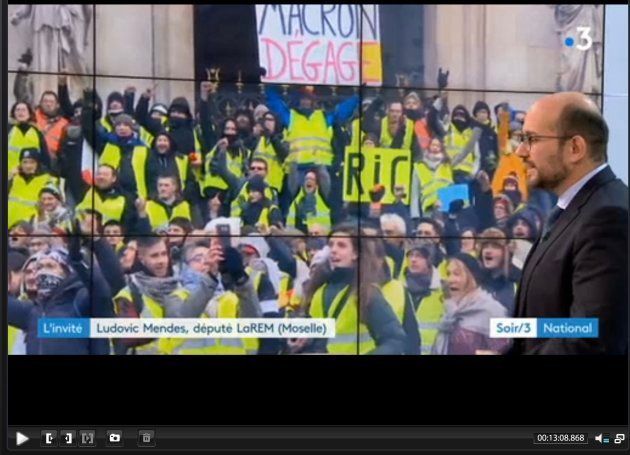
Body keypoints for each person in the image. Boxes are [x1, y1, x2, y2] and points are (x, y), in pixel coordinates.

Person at [512, 92, 628, 355]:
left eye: (531, 139)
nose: (520, 151)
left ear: (575, 148)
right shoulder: (573, 209)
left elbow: (592, 338)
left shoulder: (608, 217)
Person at [298, 223, 407, 355]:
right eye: (331, 244)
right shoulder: (319, 290)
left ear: (356, 253)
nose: (333, 250)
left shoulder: (367, 292)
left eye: (341, 245)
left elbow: (395, 340)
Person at [8, 224, 116, 355]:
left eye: (50, 266)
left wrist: (81, 258)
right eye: (39, 267)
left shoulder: (80, 303)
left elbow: (108, 286)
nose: (43, 271)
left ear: (66, 272)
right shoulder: (31, 311)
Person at [433, 253, 510, 355]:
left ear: (472, 277)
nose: (450, 280)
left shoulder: (492, 310)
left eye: (457, 274)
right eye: (448, 274)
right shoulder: (449, 311)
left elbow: (506, 349)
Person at [8, 147, 57, 229]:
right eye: (25, 162)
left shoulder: (47, 180)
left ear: (38, 163)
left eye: (32, 162)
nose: (28, 166)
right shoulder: (14, 177)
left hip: (30, 230)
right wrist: (9, 177)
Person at [8, 102, 50, 175]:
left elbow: (45, 155)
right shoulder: (8, 129)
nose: (20, 112)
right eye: (18, 110)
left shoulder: (37, 131)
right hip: (10, 174)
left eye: (23, 110)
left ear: (29, 113)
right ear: (13, 113)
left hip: (31, 175)